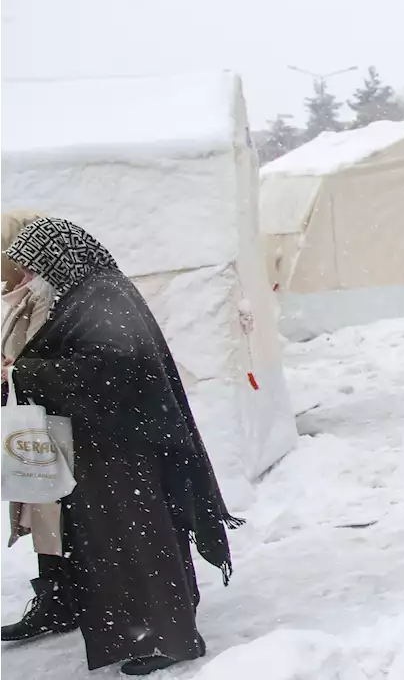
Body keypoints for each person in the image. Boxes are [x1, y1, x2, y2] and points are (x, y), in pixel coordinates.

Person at [0, 218, 239, 675]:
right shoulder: (82, 295)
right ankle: (107, 616)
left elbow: (106, 372)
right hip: (104, 445)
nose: (26, 281)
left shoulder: (103, 297)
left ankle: (171, 637)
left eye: (32, 270)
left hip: (125, 450)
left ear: (58, 260)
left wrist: (22, 374)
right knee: (107, 543)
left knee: (137, 543)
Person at [0, 210, 65, 644]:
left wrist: (11, 371)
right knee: (41, 511)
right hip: (28, 415)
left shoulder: (44, 291)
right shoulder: (20, 290)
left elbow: (41, 351)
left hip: (46, 418)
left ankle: (60, 600)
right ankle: (55, 598)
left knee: (50, 515)